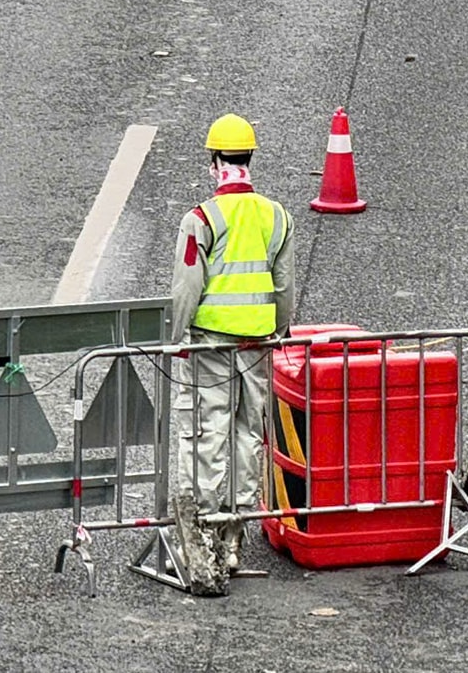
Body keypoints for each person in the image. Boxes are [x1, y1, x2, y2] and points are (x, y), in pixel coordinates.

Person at [168, 113, 295, 594]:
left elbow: (187, 288)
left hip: (211, 345)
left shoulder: (201, 219)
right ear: (250, 158)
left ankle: (204, 532)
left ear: (214, 161)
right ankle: (234, 537)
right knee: (247, 436)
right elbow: (284, 287)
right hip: (257, 345)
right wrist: (279, 331)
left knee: (206, 435)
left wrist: (178, 339)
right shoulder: (276, 216)